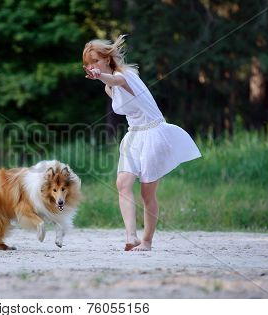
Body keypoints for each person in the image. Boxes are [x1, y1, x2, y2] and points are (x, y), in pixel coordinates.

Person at [83, 35, 202, 251]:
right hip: (134, 135)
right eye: (89, 64)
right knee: (122, 184)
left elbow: (117, 80)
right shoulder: (109, 87)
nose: (92, 67)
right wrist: (103, 79)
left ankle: (146, 241)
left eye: (96, 61)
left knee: (147, 193)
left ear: (107, 59)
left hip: (153, 133)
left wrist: (101, 77)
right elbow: (113, 87)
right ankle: (131, 237)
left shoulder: (125, 75)